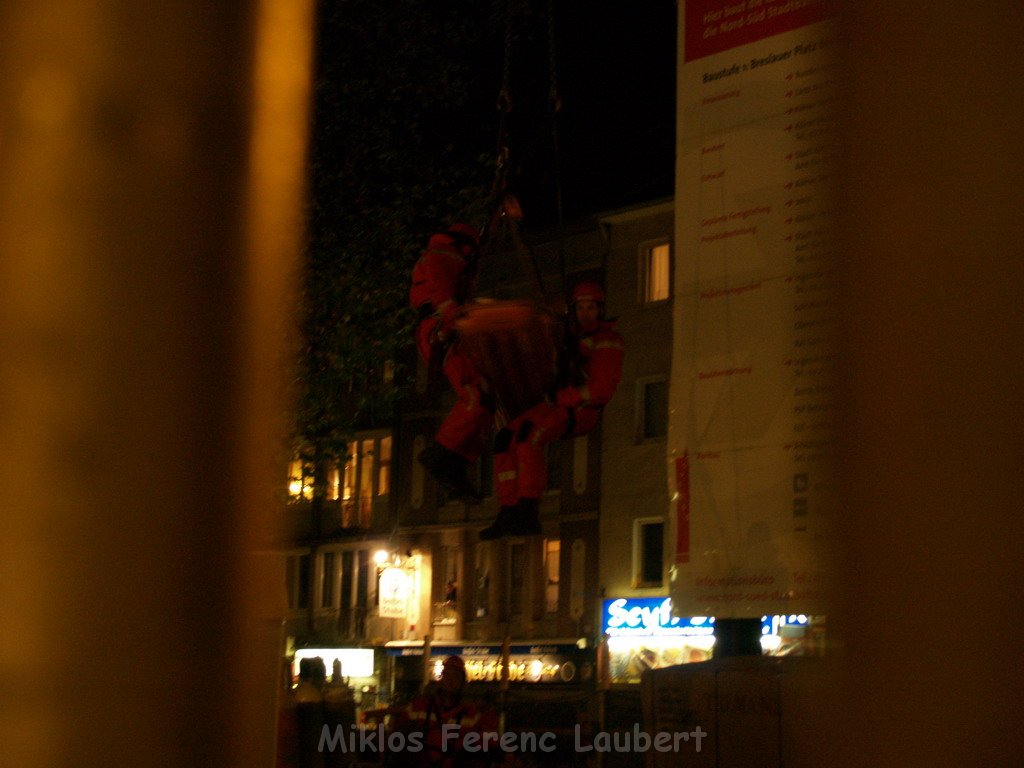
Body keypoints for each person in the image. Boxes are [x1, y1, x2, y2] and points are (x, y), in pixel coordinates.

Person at [481, 281, 625, 540]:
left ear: (600, 309)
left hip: (582, 409)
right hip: (556, 403)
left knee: (530, 436)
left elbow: (600, 389)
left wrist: (562, 395)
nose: (585, 314)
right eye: (580, 308)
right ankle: (509, 508)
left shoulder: (607, 341)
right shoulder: (571, 336)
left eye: (591, 308)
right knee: (504, 439)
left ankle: (527, 508)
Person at [409, 224, 493, 503]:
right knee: (474, 393)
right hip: (441, 329)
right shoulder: (443, 256)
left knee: (484, 397)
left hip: (446, 329)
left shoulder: (451, 258)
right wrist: (454, 320)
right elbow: (445, 298)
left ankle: (454, 459)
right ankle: (442, 455)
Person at [389, 655, 496, 768]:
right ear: (442, 677)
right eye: (447, 674)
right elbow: (398, 737)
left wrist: (489, 715)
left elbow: (489, 745)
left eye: (455, 676)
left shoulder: (472, 714)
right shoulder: (419, 707)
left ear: (462, 682)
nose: (450, 680)